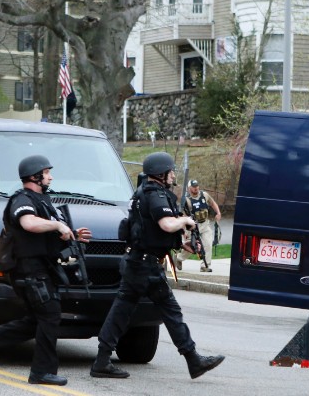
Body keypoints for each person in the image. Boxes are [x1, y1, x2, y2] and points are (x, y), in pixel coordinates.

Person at [90, 152, 224, 380]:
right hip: (146, 267)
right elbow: (167, 223)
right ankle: (194, 360)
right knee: (170, 312)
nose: (173, 175)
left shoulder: (145, 193)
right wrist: (185, 221)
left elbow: (153, 230)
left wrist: (184, 244)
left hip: (139, 263)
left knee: (121, 312)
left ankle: (102, 361)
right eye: (171, 171)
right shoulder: (154, 195)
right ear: (161, 174)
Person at [0, 155, 92, 386]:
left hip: (41, 268)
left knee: (38, 319)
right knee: (50, 315)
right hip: (29, 269)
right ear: (34, 176)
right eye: (47, 172)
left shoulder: (43, 200)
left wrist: (71, 234)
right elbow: (28, 223)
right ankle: (41, 372)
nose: (50, 176)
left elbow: (47, 234)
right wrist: (57, 224)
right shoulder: (23, 200)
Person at [175, 179, 222, 272]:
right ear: (189, 188)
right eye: (194, 187)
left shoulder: (204, 195)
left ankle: (205, 265)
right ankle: (178, 258)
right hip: (192, 225)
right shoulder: (186, 200)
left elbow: (213, 203)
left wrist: (218, 213)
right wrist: (184, 231)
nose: (196, 188)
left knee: (208, 244)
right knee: (192, 247)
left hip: (205, 224)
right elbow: (182, 217)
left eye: (197, 186)